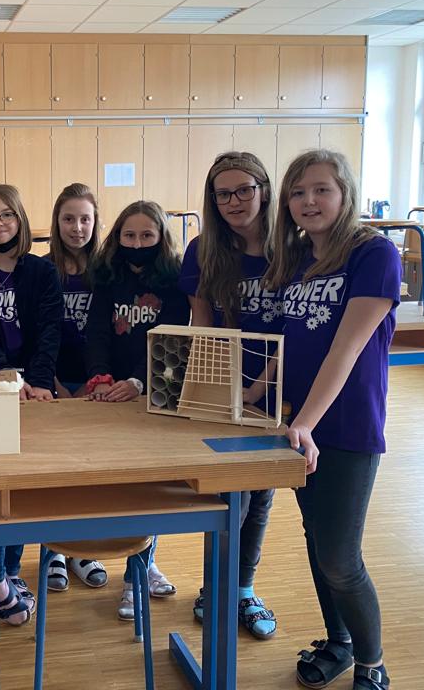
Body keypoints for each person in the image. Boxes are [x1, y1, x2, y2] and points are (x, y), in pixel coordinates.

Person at [264, 149, 398, 690]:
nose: (309, 201)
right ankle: (339, 642)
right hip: (302, 426)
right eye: (298, 192)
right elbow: (290, 336)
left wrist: (306, 423)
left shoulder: (374, 253)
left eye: (321, 189)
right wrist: (256, 389)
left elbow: (346, 349)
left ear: (345, 193)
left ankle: (372, 662)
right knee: (319, 543)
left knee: (341, 557)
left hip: (345, 427)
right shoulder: (298, 257)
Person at [180, 152, 281, 640]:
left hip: (277, 390)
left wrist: (258, 390)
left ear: (264, 189)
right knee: (229, 497)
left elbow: (295, 328)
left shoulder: (293, 249)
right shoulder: (203, 250)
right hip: (226, 391)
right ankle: (214, 586)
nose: (234, 201)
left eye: (244, 189)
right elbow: (202, 325)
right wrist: (213, 390)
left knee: (260, 493)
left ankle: (243, 588)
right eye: (223, 194)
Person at [85, 199, 190, 620]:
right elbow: (96, 331)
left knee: (149, 490)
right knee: (115, 488)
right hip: (109, 394)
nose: (138, 243)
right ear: (118, 237)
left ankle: (138, 573)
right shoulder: (107, 275)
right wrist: (100, 377)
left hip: (152, 393)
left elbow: (173, 338)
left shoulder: (174, 280)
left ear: (161, 237)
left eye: (147, 235)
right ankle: (130, 560)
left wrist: (138, 382)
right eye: (129, 235)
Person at [0, 183, 62, 624]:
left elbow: (50, 329)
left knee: (24, 488)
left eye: (6, 214)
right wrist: (9, 379)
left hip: (35, 389)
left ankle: (10, 570)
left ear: (20, 218)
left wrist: (38, 380)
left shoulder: (42, 271)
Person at [43, 182, 108, 592]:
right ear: (57, 222)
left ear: (95, 222)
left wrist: (93, 383)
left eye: (85, 219)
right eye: (69, 219)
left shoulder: (107, 270)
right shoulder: (42, 269)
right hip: (53, 382)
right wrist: (52, 384)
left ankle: (83, 548)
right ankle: (52, 550)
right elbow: (36, 336)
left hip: (95, 384)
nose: (77, 227)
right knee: (52, 473)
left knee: (88, 472)